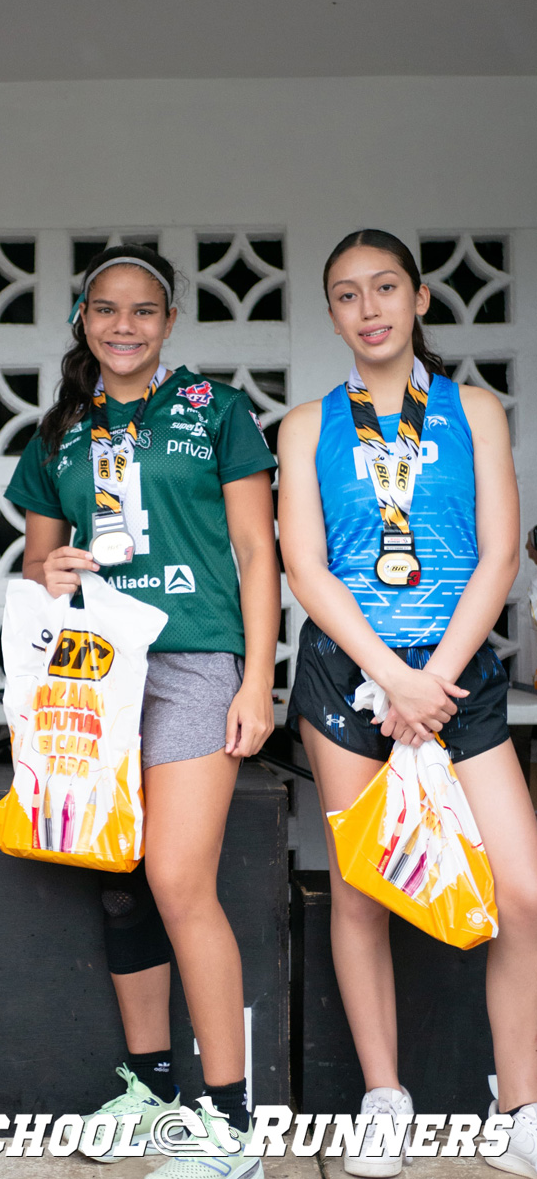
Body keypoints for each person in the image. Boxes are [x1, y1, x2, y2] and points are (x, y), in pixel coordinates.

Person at [6, 244, 280, 1177]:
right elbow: (36, 570)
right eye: (106, 310)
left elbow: (256, 550)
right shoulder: (60, 434)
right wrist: (54, 570)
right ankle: (153, 1090)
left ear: (169, 322)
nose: (124, 326)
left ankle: (231, 1125)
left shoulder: (216, 411)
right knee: (116, 877)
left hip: (199, 661)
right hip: (97, 667)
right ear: (83, 319)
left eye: (144, 311)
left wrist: (256, 679)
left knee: (176, 880)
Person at [278, 228, 537, 1178]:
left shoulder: (475, 411)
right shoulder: (306, 426)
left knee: (525, 894)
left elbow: (498, 554)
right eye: (347, 295)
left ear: (421, 298)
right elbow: (306, 566)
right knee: (364, 890)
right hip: (353, 673)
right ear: (333, 313)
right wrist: (391, 674)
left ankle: (521, 1104)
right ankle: (385, 1098)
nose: (369, 307)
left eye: (386, 287)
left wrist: (432, 682)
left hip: (457, 671)